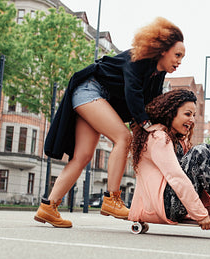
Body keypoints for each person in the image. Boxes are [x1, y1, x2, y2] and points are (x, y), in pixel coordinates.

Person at [34, 17, 185, 228]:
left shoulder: (157, 75)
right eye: (177, 55)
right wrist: (144, 122)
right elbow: (132, 92)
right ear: (162, 49)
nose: (179, 61)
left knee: (83, 156)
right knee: (123, 137)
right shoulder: (138, 58)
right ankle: (111, 199)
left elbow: (152, 106)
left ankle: (48, 207)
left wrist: (169, 130)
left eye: (182, 58)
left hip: (100, 99)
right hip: (90, 89)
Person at [128, 89, 210, 229]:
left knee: (206, 149)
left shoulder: (179, 141)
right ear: (171, 113)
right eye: (187, 114)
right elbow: (176, 177)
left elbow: (193, 175)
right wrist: (200, 213)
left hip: (172, 204)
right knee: (201, 151)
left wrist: (208, 205)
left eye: (193, 115)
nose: (192, 120)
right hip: (162, 206)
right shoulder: (158, 138)